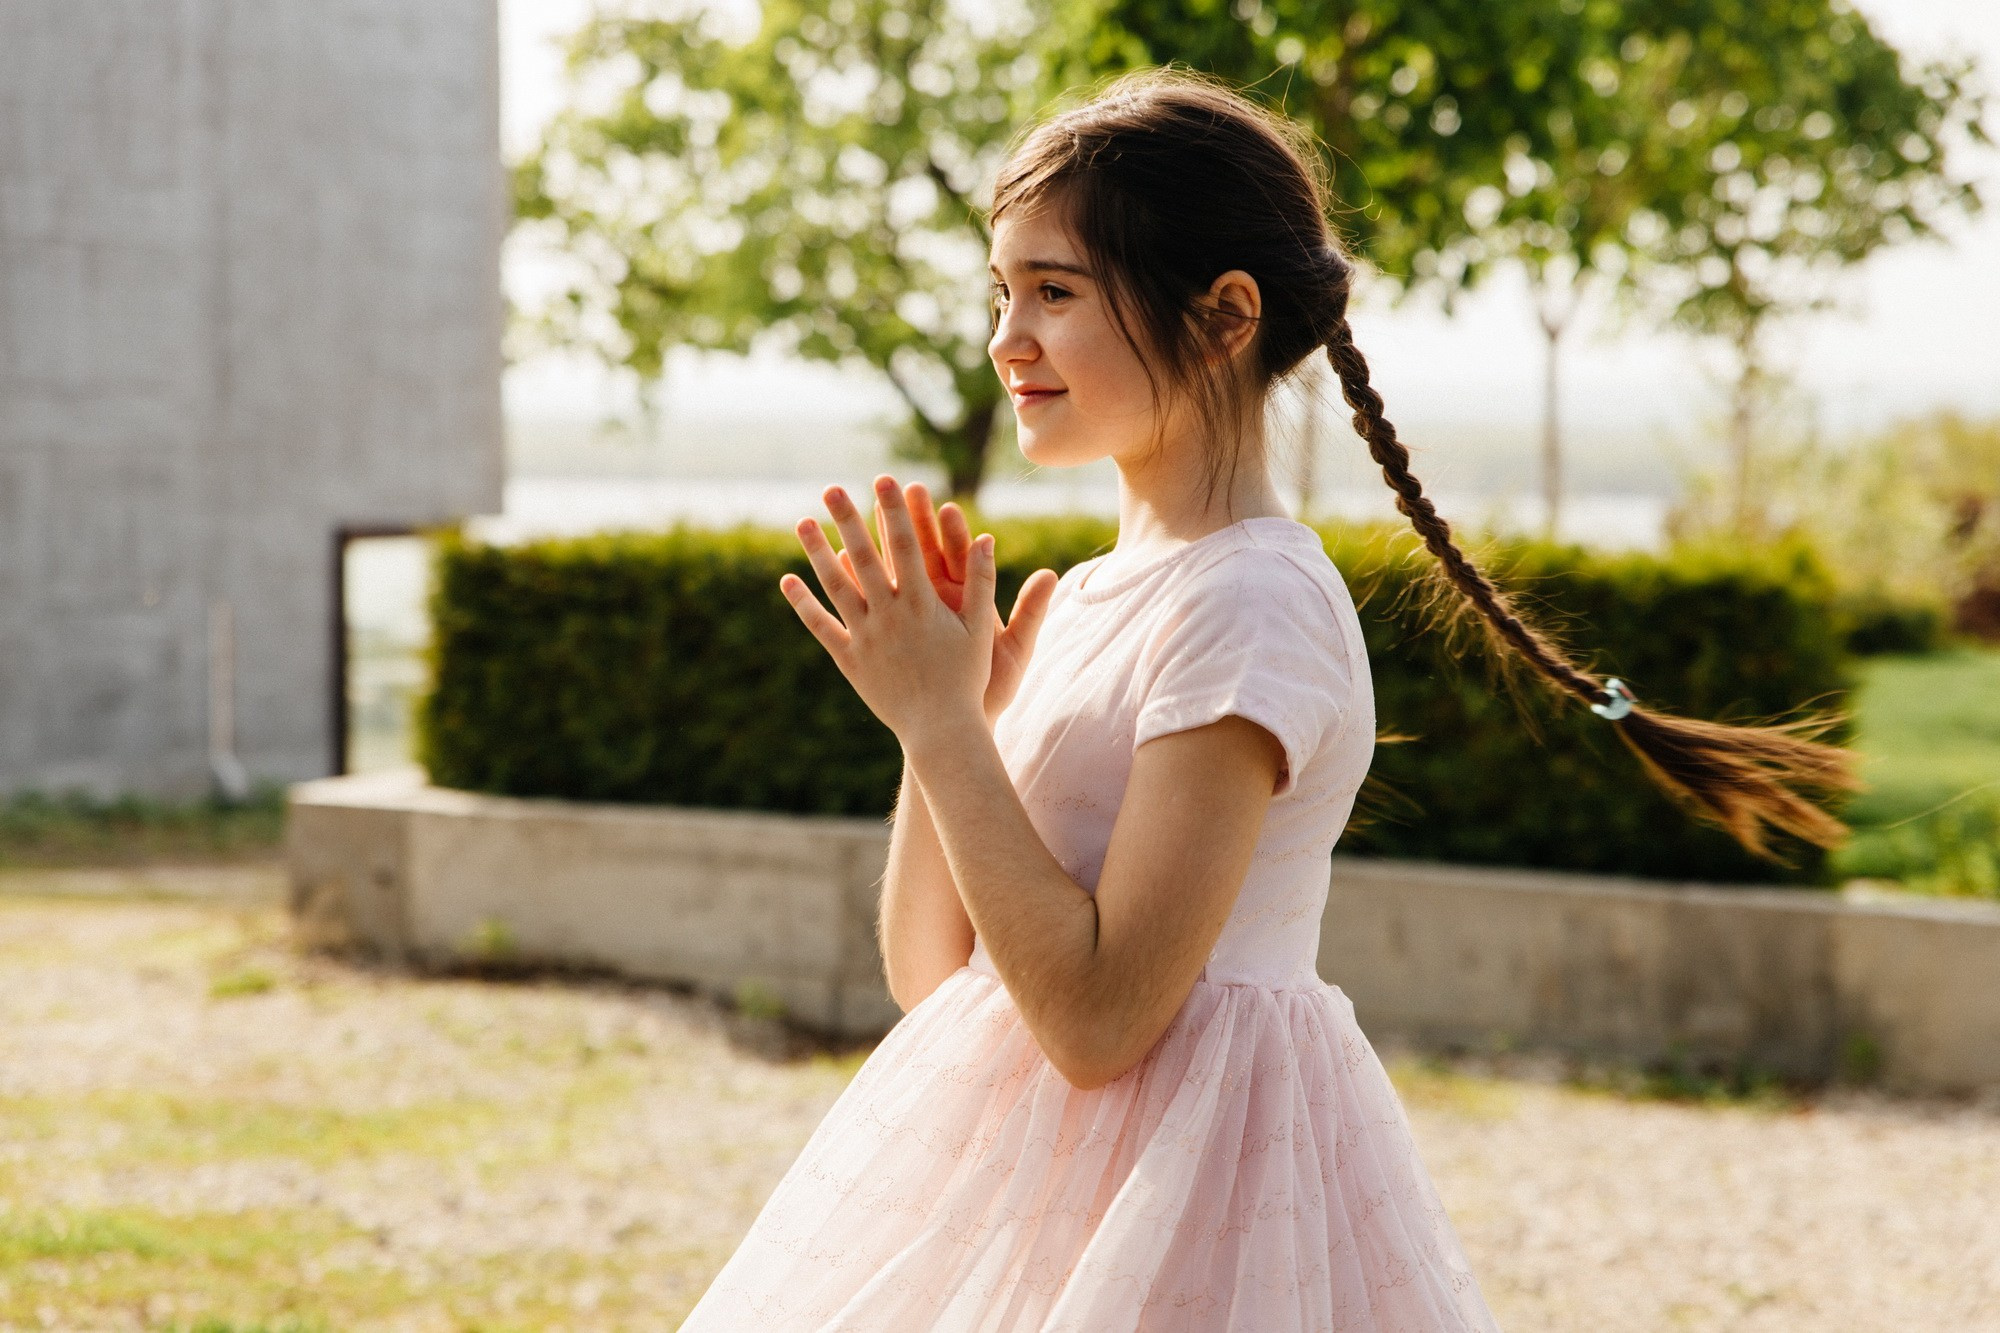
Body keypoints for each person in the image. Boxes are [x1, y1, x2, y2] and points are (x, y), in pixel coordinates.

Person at [678, 71, 1848, 1332]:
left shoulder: (1250, 605)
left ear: (1224, 313)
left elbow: (1096, 1019)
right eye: (999, 292)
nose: (1004, 340)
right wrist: (936, 727)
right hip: (1024, 1203)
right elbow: (935, 976)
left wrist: (948, 728)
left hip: (1192, 1213)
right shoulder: (1082, 597)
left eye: (1053, 291)